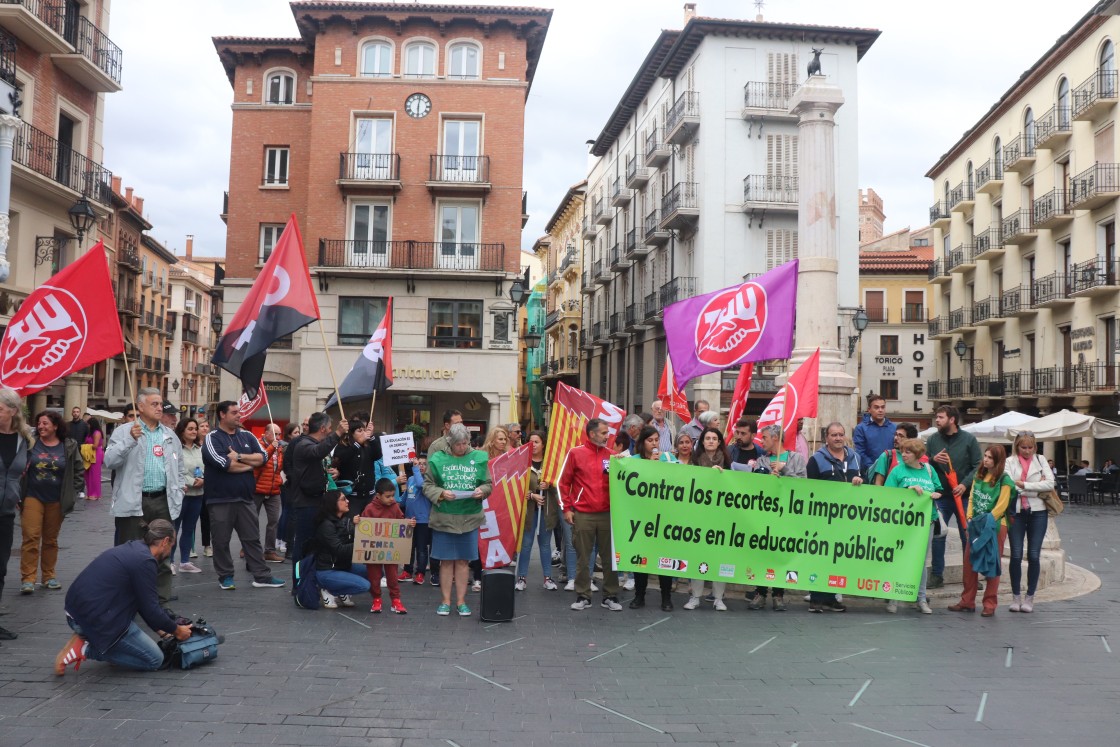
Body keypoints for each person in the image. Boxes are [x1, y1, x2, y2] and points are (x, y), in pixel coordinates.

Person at [54, 519, 193, 675]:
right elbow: (151, 610)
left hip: (76, 610)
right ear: (165, 541)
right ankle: (85, 649)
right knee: (154, 659)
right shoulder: (145, 562)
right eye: (172, 546)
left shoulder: (135, 548)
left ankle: (99, 642)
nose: (170, 552)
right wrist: (177, 631)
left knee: (136, 644)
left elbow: (143, 602)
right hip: (92, 618)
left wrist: (162, 630)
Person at [104, 388, 185, 605]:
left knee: (163, 550)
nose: (160, 408)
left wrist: (180, 486)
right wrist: (129, 440)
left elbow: (179, 466)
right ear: (140, 407)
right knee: (129, 551)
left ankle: (159, 599)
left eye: (160, 404)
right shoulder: (124, 431)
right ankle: (127, 598)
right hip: (135, 500)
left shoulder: (169, 435)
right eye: (155, 404)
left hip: (162, 500)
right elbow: (109, 461)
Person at [201, 400, 285, 591]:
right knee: (221, 540)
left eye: (239, 412)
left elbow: (263, 457)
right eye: (234, 412)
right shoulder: (212, 438)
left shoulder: (247, 435)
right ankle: (226, 576)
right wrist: (250, 464)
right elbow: (224, 465)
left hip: (245, 497)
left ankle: (261, 576)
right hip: (220, 499)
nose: (239, 415)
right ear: (222, 415)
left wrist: (239, 457)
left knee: (252, 538)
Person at [424, 423, 491, 616]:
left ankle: (461, 601)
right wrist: (441, 492)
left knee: (463, 561)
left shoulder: (478, 458)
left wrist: (482, 491)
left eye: (465, 443)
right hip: (444, 517)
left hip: (469, 517)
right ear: (450, 443)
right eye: (458, 444)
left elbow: (488, 484)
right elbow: (427, 485)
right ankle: (445, 601)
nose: (462, 447)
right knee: (446, 561)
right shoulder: (438, 458)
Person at [559, 418, 623, 612]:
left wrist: (624, 465)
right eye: (604, 433)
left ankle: (610, 596)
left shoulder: (613, 456)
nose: (607, 436)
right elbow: (563, 483)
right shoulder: (575, 453)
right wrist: (567, 509)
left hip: (607, 514)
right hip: (583, 514)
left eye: (607, 433)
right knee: (583, 557)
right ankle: (583, 595)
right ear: (592, 434)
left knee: (609, 558)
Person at [19, 411, 84, 595]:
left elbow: (78, 469)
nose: (41, 427)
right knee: (31, 536)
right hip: (32, 496)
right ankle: (28, 578)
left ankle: (48, 576)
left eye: (45, 423)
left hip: (57, 499)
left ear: (55, 426)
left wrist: (74, 490)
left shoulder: (69, 446)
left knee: (50, 540)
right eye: (39, 423)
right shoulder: (30, 443)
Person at [747, 424, 807, 611]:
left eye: (764, 437)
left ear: (775, 438)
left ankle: (779, 594)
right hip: (766, 515)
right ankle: (760, 592)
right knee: (763, 554)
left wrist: (785, 470)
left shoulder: (796, 458)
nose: (761, 441)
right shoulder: (762, 460)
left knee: (781, 554)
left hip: (787, 515)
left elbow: (804, 485)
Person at [805, 422, 863, 613]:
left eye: (841, 434)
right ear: (826, 438)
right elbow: (809, 490)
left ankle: (831, 598)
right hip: (823, 518)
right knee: (820, 557)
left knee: (838, 558)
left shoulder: (856, 458)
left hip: (848, 518)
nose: (838, 438)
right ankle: (816, 598)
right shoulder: (815, 460)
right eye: (833, 435)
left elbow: (867, 484)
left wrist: (860, 482)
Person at [949, 445, 1013, 617]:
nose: (986, 460)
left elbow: (1002, 505)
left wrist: (988, 521)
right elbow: (971, 499)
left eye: (990, 457)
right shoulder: (979, 476)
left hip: (995, 525)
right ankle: (967, 601)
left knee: (992, 562)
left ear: (998, 461)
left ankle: (990, 604)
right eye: (985, 456)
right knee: (969, 562)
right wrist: (969, 518)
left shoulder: (1005, 479)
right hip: (976, 523)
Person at [285, 411, 348, 580]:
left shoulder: (311, 443)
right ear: (322, 428)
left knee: (315, 544)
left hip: (317, 501)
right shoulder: (303, 444)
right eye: (328, 428)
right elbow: (317, 452)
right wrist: (338, 433)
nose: (329, 431)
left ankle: (311, 579)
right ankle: (299, 583)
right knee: (303, 544)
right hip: (305, 503)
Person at [925, 405, 981, 589]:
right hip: (940, 495)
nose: (937, 420)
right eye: (937, 417)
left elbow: (978, 466)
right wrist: (932, 460)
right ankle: (936, 575)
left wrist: (964, 484)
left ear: (952, 420)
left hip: (964, 496)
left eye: (940, 417)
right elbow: (923, 462)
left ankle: (971, 576)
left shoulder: (969, 440)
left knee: (968, 535)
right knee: (938, 535)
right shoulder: (932, 439)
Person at [883, 438, 940, 615]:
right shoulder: (897, 471)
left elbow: (938, 489)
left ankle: (921, 598)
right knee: (899, 557)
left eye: (908, 452)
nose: (904, 455)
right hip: (902, 522)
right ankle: (893, 596)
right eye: (902, 451)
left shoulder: (929, 471)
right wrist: (907, 489)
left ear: (917, 455)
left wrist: (936, 494)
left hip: (926, 522)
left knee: (921, 561)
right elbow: (887, 494)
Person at [1004, 432, 1054, 614]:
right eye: (1023, 447)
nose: (1026, 451)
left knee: (1034, 555)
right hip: (1015, 512)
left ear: (1035, 447)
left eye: (1030, 447)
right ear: (1017, 446)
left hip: (1038, 512)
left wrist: (1024, 486)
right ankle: (1015, 596)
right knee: (1016, 555)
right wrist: (1035, 486)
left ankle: (1030, 597)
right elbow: (1008, 485)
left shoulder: (1040, 460)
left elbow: (1050, 484)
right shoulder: (1009, 462)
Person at [683, 427, 731, 612]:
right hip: (699, 517)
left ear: (719, 442)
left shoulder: (728, 462)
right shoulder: (694, 463)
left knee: (720, 557)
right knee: (698, 556)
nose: (711, 441)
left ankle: (719, 597)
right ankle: (695, 596)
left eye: (714, 438)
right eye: (707, 438)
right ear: (702, 442)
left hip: (721, 518)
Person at [628, 426, 675, 611]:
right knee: (641, 559)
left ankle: (666, 597)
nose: (654, 443)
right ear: (642, 443)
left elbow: (680, 478)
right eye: (650, 440)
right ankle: (639, 596)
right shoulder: (634, 460)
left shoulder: (668, 459)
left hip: (664, 517)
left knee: (664, 559)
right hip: (642, 517)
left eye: (656, 439)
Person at [361, 477, 415, 613]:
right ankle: (376, 599)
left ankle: (396, 600)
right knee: (374, 576)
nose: (392, 499)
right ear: (378, 496)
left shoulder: (395, 507)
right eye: (388, 496)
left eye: (393, 495)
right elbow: (363, 527)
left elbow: (401, 522)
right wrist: (357, 521)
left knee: (392, 576)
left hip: (391, 550)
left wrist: (408, 523)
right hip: (375, 549)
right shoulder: (370, 508)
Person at [0, 388, 29, 642]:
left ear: (12, 411)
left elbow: (22, 473)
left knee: (0, 568)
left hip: (6, 513)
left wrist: (19, 497)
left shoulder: (23, 439)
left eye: (0, 409)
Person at [516, 431, 559, 591]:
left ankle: (548, 578)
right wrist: (532, 495)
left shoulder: (550, 464)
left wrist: (550, 485)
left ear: (543, 444)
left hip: (546, 511)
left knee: (545, 544)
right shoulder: (523, 462)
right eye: (530, 441)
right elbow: (517, 487)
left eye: (537, 442)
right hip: (528, 511)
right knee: (526, 544)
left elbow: (559, 485)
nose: (533, 445)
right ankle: (521, 577)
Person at [313, 492, 370, 610]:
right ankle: (329, 590)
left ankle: (340, 588)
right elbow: (339, 550)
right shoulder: (326, 525)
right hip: (328, 570)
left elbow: (351, 539)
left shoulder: (344, 520)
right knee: (364, 586)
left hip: (342, 565)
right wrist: (361, 544)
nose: (347, 501)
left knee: (375, 572)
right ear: (333, 504)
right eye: (343, 499)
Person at [173, 419, 205, 574]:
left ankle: (185, 561)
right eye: (190, 429)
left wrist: (204, 480)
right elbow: (175, 471)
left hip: (197, 496)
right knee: (174, 528)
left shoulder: (200, 449)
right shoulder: (176, 449)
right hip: (182, 495)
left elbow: (206, 468)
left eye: (195, 429)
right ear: (182, 431)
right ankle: (170, 561)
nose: (193, 431)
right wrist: (192, 481)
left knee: (189, 529)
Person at [253, 423, 285, 563]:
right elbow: (261, 461)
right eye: (275, 433)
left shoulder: (279, 448)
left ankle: (269, 551)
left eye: (279, 434)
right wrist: (273, 447)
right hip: (257, 488)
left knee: (273, 521)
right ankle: (248, 548)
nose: (278, 437)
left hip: (273, 489)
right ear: (265, 433)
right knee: (251, 521)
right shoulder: (257, 445)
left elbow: (278, 467)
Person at [400, 455, 432, 586]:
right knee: (408, 547)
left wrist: (415, 469)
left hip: (423, 520)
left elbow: (420, 484)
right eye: (419, 464)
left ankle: (420, 573)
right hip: (409, 518)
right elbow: (405, 497)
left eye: (424, 464)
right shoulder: (411, 478)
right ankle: (407, 571)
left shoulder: (429, 480)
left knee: (421, 548)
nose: (421, 466)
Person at [852, 394, 895, 480]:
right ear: (869, 410)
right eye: (876, 407)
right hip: (870, 472)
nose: (880, 410)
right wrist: (875, 468)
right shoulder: (861, 428)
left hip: (892, 472)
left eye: (883, 407)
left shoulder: (893, 427)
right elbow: (860, 452)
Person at [277, 422, 301, 557]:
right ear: (289, 434)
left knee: (290, 513)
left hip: (292, 483)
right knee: (288, 512)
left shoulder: (299, 444)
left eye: (299, 432)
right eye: (295, 432)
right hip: (288, 484)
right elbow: (286, 465)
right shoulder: (286, 447)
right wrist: (292, 478)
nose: (298, 435)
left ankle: (283, 541)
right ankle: (284, 541)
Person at [83, 417, 104, 501]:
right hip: (89, 455)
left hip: (96, 455)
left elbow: (95, 445)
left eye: (88, 424)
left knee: (94, 475)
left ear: (92, 424)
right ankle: (89, 493)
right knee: (87, 474)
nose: (87, 426)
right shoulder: (90, 433)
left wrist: (84, 446)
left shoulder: (97, 433)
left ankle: (95, 494)